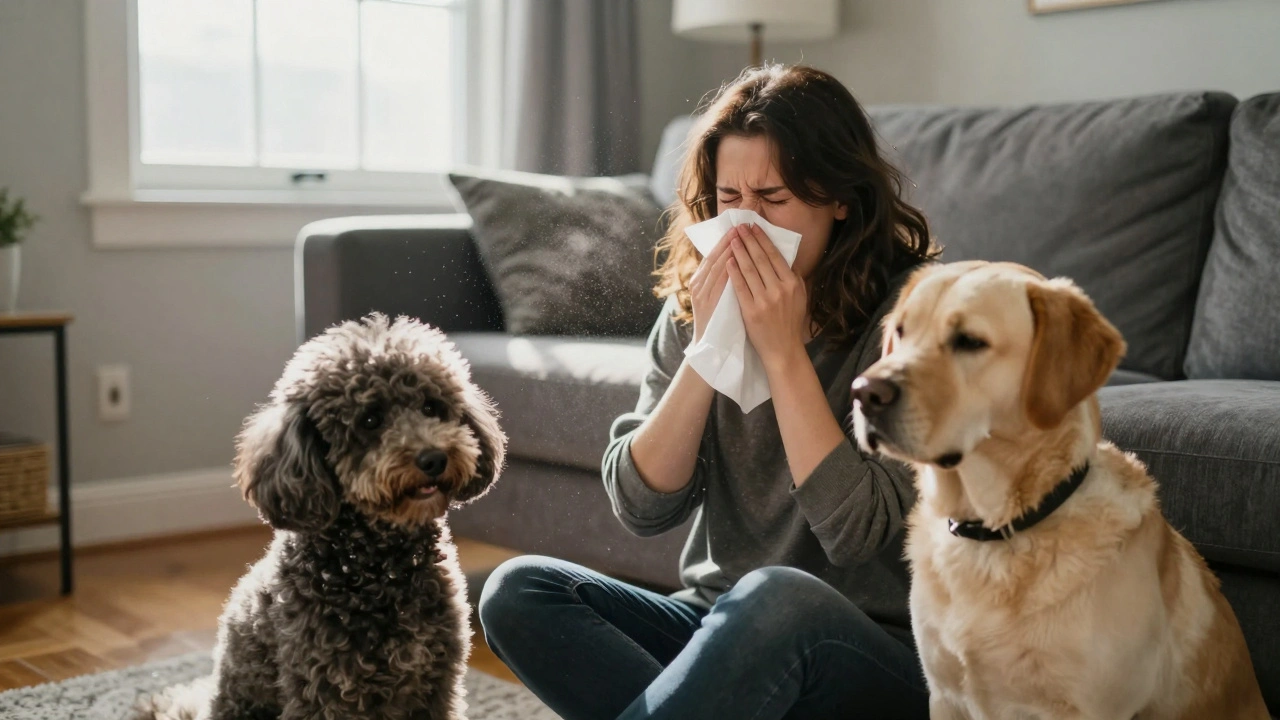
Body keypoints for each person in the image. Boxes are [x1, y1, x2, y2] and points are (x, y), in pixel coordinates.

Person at [478, 63, 938, 720]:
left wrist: (783, 353)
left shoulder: (914, 316)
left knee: (777, 597)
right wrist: (709, 347)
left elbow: (855, 535)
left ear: (840, 198)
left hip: (863, 645)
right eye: (729, 198)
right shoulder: (694, 306)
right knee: (518, 590)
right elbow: (641, 507)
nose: (746, 226)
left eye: (773, 199)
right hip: (718, 621)